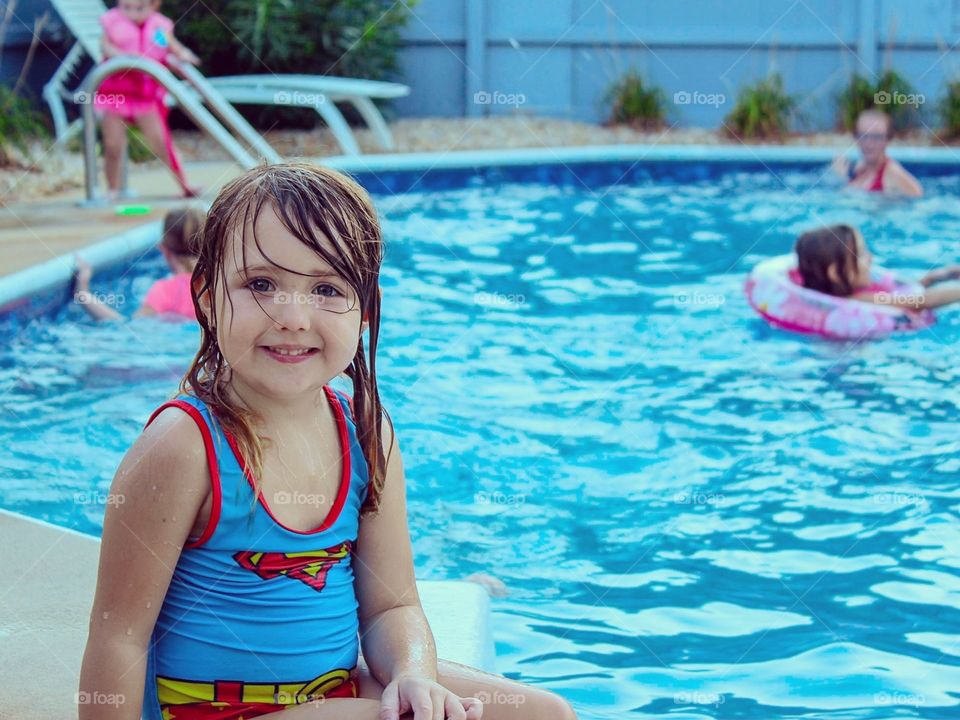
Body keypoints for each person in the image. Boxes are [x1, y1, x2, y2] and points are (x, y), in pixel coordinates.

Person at [77, 163, 578, 720]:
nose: (293, 316)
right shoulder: (183, 446)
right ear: (207, 296)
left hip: (333, 695)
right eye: (261, 284)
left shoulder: (366, 432)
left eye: (326, 288)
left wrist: (413, 674)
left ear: (364, 309)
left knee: (544, 713)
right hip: (217, 712)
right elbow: (118, 636)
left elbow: (392, 605)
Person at [96, 0, 201, 199]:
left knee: (161, 142)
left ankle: (184, 185)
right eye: (126, 8)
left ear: (153, 6)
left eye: (139, 8)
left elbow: (172, 47)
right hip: (114, 95)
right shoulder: (112, 21)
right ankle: (113, 189)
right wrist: (124, 58)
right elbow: (105, 45)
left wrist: (184, 55)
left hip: (145, 97)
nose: (132, 14)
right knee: (113, 145)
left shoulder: (159, 27)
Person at [74, 206, 203, 321]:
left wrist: (83, 294)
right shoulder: (214, 285)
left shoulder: (164, 291)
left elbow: (125, 325)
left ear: (163, 249)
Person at [795, 224, 960, 309]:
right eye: (860, 254)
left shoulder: (850, 292)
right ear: (835, 273)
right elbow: (921, 301)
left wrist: (932, 279)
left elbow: (902, 293)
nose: (871, 258)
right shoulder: (857, 300)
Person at [831, 109, 923, 197]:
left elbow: (918, 195)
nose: (869, 144)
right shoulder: (857, 169)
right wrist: (841, 177)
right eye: (863, 136)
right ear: (856, 138)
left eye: (877, 137)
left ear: (888, 139)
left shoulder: (893, 174)